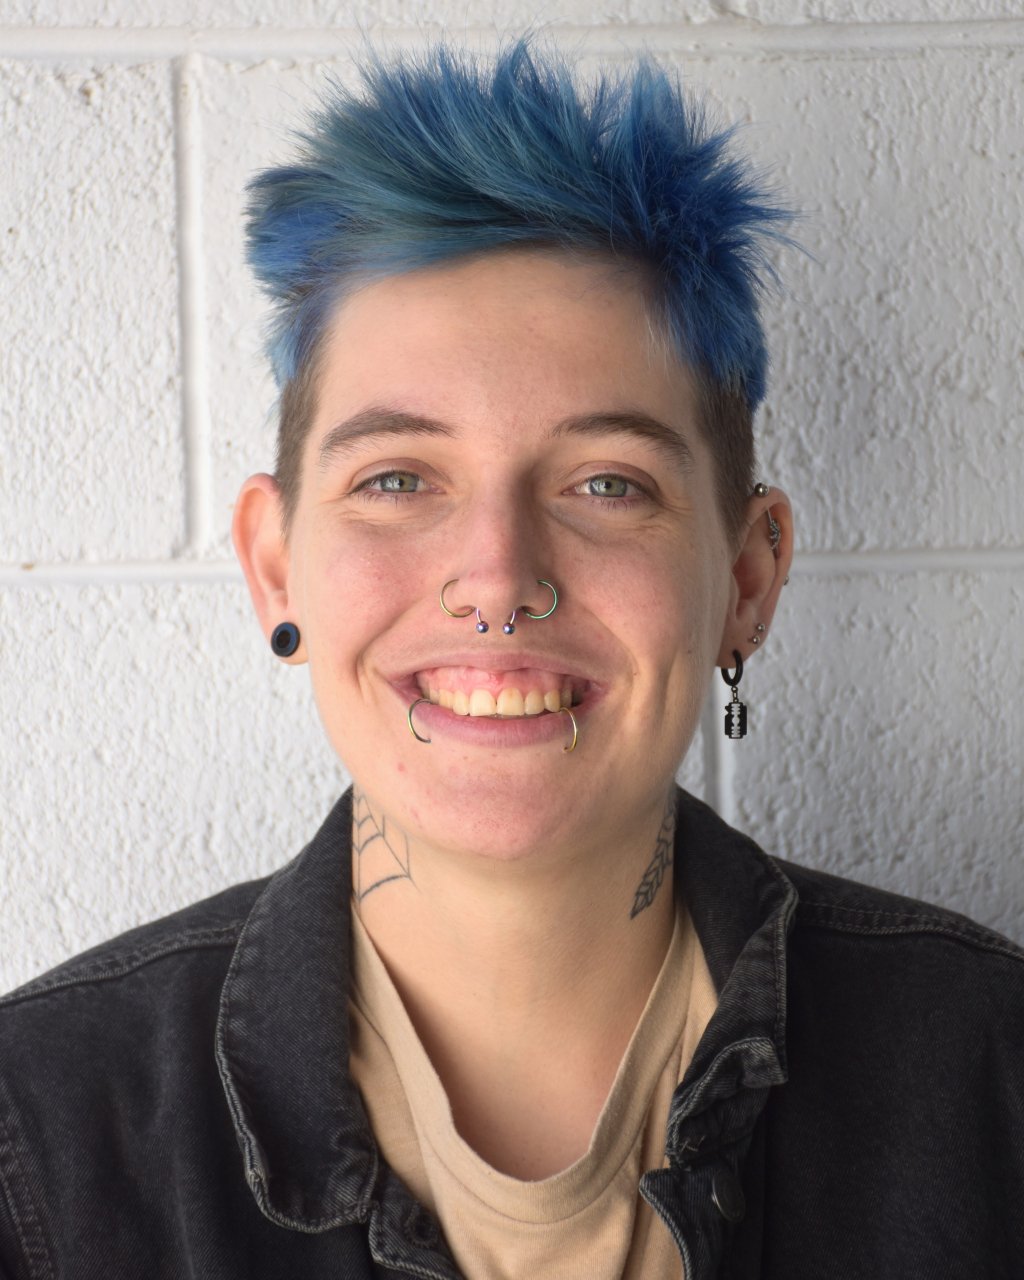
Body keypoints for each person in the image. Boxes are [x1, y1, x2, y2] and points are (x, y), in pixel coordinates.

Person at [1, 36, 1022, 1280]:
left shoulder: (989, 1077)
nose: (496, 575)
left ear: (744, 577)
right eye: (395, 478)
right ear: (277, 566)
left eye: (607, 481)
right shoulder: (40, 1133)